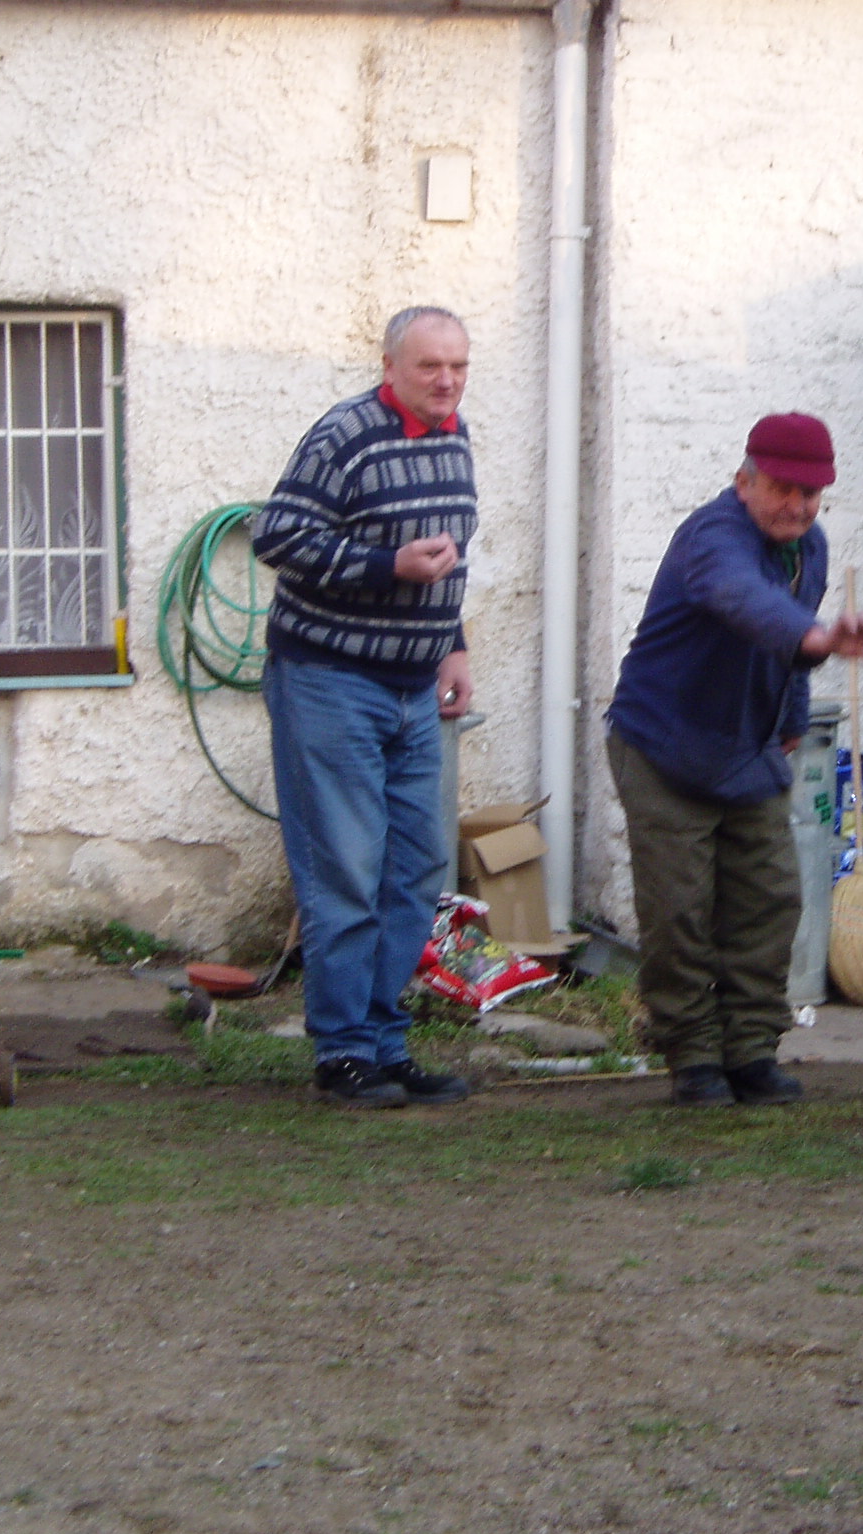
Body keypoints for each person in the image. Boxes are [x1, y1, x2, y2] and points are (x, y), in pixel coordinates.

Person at [607, 414, 863, 1108]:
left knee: (769, 903)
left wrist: (790, 722)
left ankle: (752, 1052)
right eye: (782, 489)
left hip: (750, 752)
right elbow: (744, 601)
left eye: (810, 494)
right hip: (664, 747)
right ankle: (694, 1058)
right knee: (680, 913)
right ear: (744, 482)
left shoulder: (809, 547)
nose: (797, 506)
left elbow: (789, 647)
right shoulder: (713, 537)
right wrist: (816, 637)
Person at [251, 306, 477, 1109]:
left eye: (458, 366)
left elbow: (448, 559)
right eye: (429, 367)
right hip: (330, 681)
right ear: (389, 367)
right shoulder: (343, 436)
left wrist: (452, 644)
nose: (446, 381)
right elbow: (276, 535)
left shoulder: (455, 437)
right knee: (346, 870)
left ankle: (386, 1043)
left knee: (415, 870)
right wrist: (387, 565)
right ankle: (343, 1052)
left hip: (414, 687)